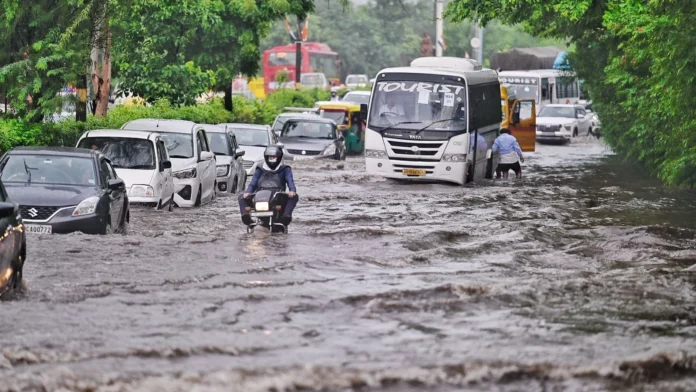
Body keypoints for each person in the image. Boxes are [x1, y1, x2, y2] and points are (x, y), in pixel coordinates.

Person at [238, 145, 298, 227]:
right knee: (241, 197)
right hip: (260, 197)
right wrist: (248, 193)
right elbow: (253, 183)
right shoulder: (260, 169)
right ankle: (247, 219)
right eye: (270, 157)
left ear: (279, 157)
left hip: (278, 197)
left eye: (274, 157)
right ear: (266, 157)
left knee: (294, 197)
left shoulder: (285, 169)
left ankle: (286, 217)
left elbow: (290, 181)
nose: (272, 159)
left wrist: (292, 191)